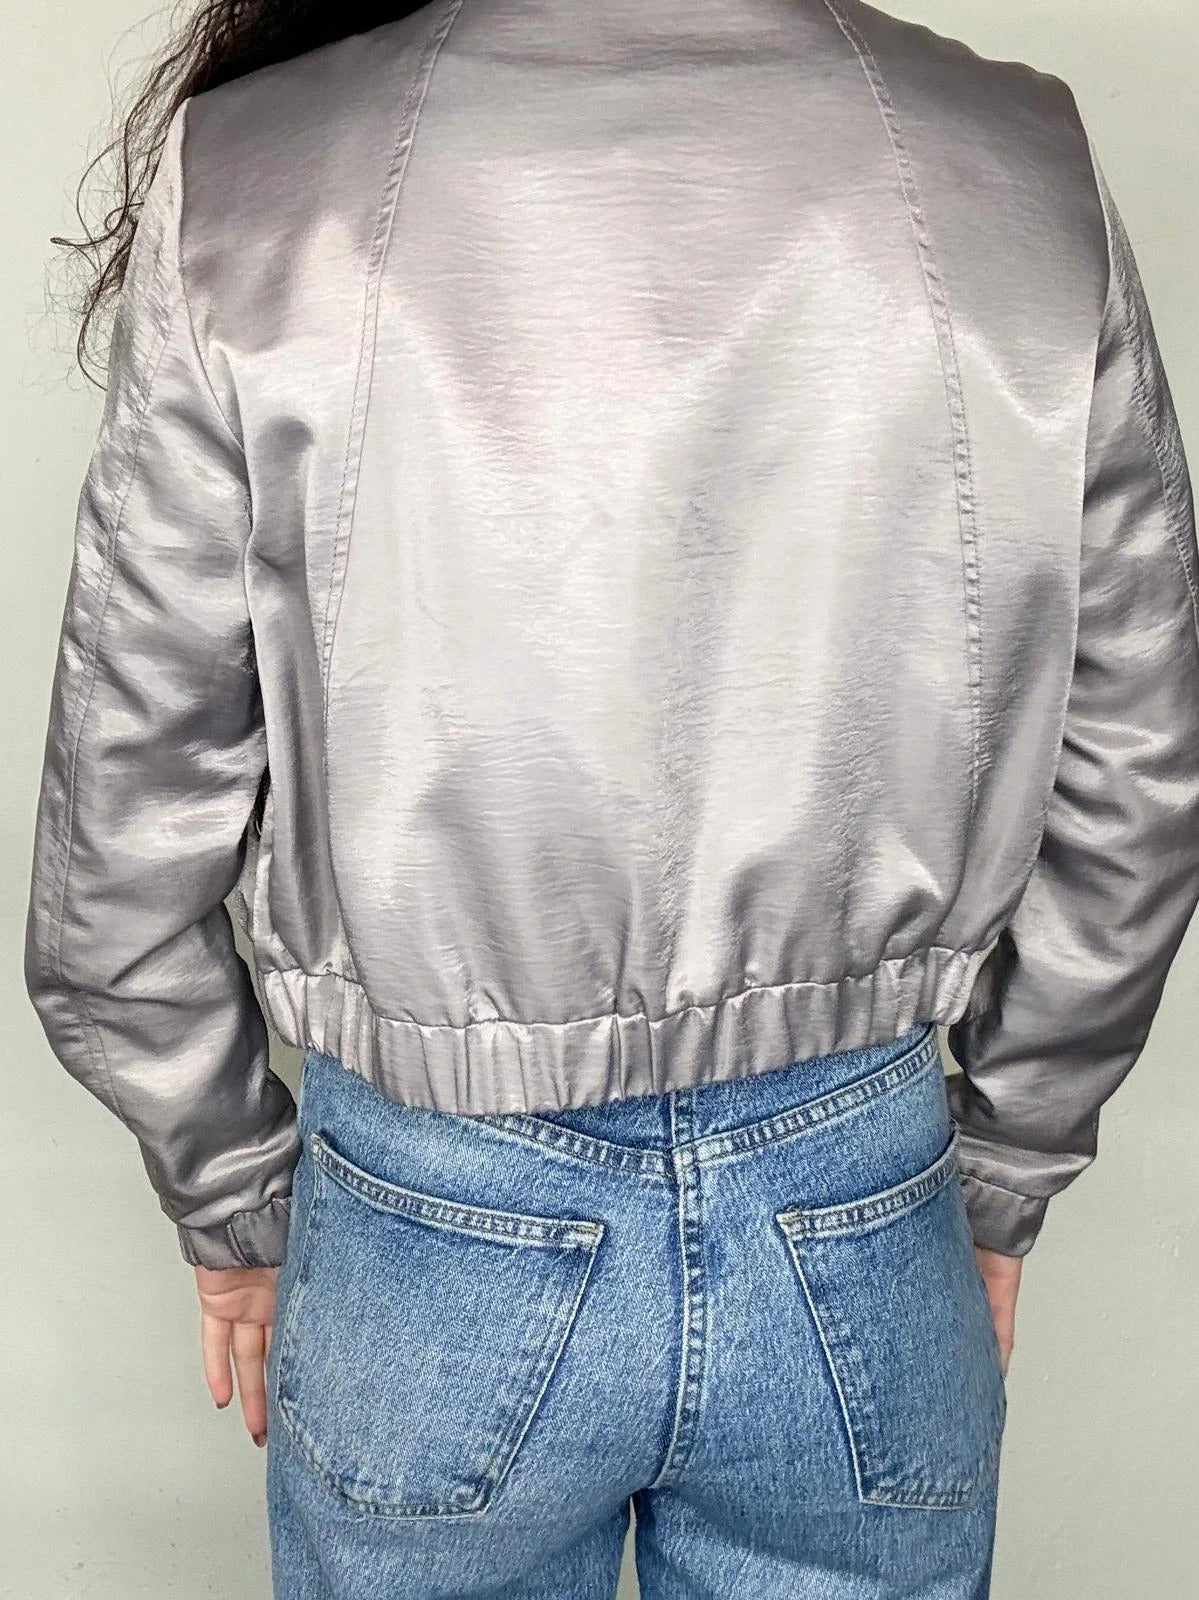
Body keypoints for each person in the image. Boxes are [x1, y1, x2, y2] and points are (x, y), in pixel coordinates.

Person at [23, 1, 1198, 1596]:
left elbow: (121, 832)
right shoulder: (1014, 160)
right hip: (859, 1190)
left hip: (431, 1205)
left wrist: (229, 1192)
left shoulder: (257, 170)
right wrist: (1005, 1158)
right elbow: (1143, 768)